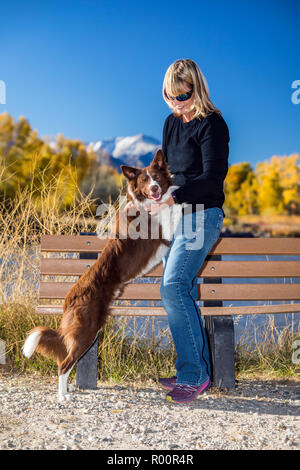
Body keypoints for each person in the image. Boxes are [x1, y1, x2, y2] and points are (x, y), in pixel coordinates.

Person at [150, 58, 230, 404]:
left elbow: (212, 179)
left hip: (202, 215)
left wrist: (174, 198)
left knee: (173, 286)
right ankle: (190, 369)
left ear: (197, 90)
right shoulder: (171, 123)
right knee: (173, 290)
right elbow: (167, 170)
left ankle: (195, 375)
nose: (175, 105)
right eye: (169, 97)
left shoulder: (213, 124)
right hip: (176, 215)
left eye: (182, 97)